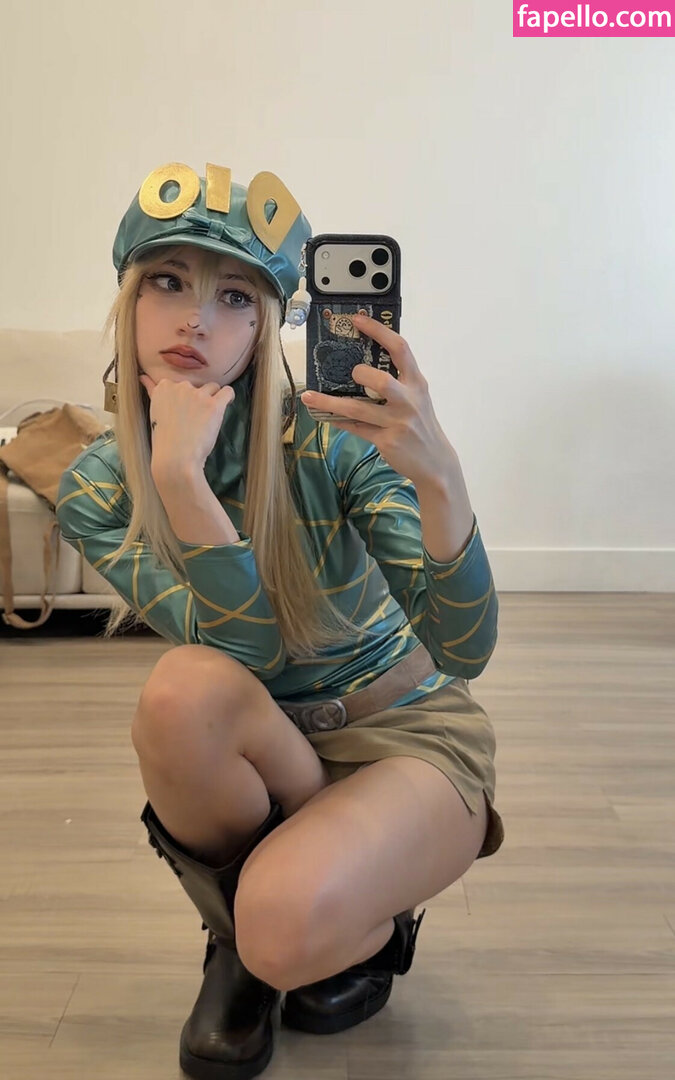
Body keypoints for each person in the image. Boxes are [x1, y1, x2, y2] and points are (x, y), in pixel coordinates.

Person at [56, 160, 505, 1080]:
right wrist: (181, 480)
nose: (195, 319)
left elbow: (464, 648)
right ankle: (244, 941)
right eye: (168, 283)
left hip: (400, 731)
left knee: (284, 925)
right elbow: (246, 652)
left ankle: (335, 917)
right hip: (267, 746)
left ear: (267, 325)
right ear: (129, 302)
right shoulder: (99, 487)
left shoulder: (331, 438)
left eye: (234, 297)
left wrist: (440, 478)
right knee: (183, 690)